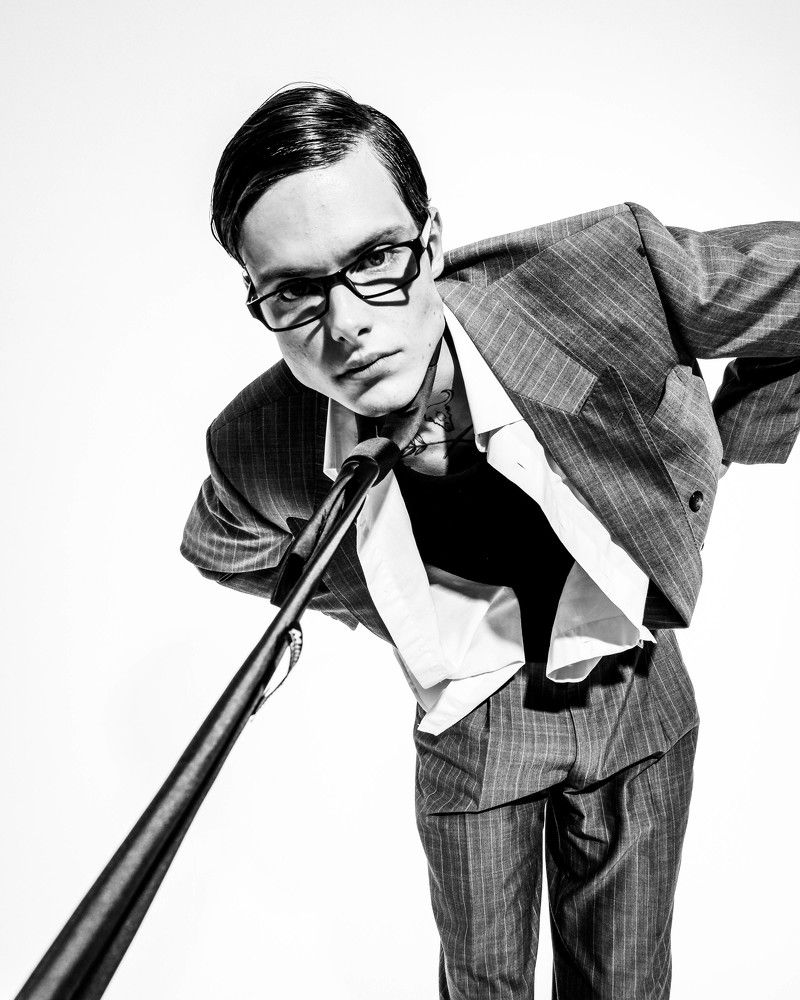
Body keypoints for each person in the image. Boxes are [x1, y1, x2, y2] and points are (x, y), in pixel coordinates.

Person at [181, 83, 800, 998]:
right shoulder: (256, 442)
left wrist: (717, 453)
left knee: (628, 981)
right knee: (481, 986)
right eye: (295, 292)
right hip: (474, 723)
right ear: (257, 299)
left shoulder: (600, 279)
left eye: (376, 260)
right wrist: (405, 608)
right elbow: (223, 548)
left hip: (636, 688)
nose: (347, 323)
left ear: (430, 243)